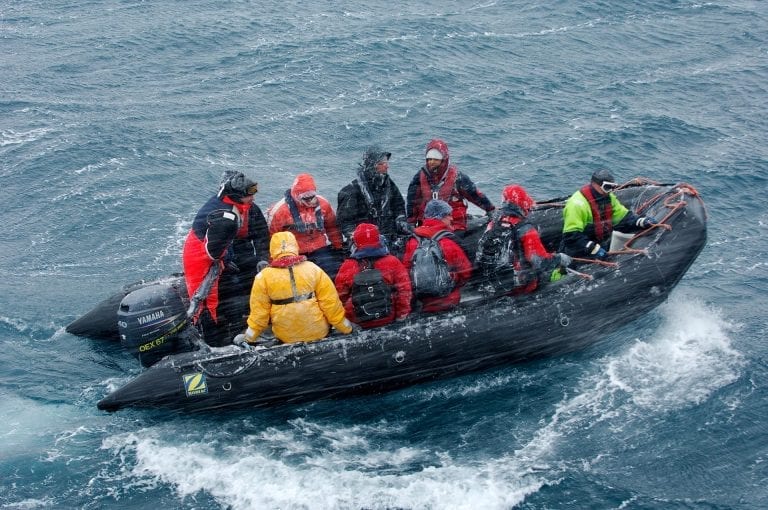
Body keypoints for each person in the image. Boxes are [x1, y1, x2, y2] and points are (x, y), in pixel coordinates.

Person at [182, 171, 269, 347]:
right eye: (249, 195)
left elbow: (261, 235)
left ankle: (241, 321)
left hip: (227, 253)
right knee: (206, 302)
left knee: (249, 283)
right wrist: (226, 260)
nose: (252, 198)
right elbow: (213, 251)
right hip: (206, 259)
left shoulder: (244, 209)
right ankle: (213, 341)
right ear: (237, 196)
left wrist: (262, 258)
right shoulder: (226, 217)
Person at [237, 231, 355, 345]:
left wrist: (249, 337)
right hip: (318, 331)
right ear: (295, 246)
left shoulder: (263, 277)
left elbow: (259, 314)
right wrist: (346, 327)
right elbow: (331, 304)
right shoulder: (313, 269)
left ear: (272, 251)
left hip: (286, 336)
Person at [476, 185, 572, 295]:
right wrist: (560, 258)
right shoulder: (526, 229)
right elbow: (539, 261)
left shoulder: (493, 223)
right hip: (520, 286)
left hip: (495, 281)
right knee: (558, 274)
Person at [560, 170, 658, 260]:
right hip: (578, 249)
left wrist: (639, 221)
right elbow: (571, 236)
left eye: (612, 187)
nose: (610, 191)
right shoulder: (577, 205)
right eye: (607, 187)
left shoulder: (608, 198)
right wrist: (592, 248)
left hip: (599, 243)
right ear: (595, 184)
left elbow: (623, 217)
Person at [405, 139, 495, 233]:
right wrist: (411, 222)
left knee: (455, 241)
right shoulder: (419, 177)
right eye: (429, 159)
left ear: (444, 159)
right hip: (426, 221)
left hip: (454, 222)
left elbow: (474, 195)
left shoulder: (458, 177)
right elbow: (413, 202)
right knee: (415, 235)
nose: (432, 162)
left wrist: (490, 209)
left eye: (436, 159)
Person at [267, 173, 345, 279]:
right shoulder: (280, 211)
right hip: (293, 252)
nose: (310, 201)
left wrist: (338, 247)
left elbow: (332, 227)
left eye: (312, 197)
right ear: (296, 196)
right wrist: (272, 262)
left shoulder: (324, 205)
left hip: (319, 248)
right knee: (297, 279)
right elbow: (271, 238)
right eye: (306, 198)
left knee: (333, 274)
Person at [334, 223, 412, 328]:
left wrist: (349, 322)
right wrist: (401, 315)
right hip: (388, 317)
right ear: (378, 239)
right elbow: (404, 290)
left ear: (355, 242)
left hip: (359, 321)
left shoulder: (348, 266)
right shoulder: (392, 262)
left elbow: (339, 297)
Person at [403, 199, 473, 313]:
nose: (452, 218)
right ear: (440, 217)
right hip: (449, 300)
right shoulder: (448, 241)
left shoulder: (412, 240)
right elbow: (466, 271)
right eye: (448, 215)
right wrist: (452, 284)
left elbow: (406, 270)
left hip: (423, 301)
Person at [336, 145, 407, 256]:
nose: (387, 167)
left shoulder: (389, 184)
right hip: (365, 242)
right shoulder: (352, 191)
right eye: (382, 163)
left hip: (389, 238)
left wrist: (401, 221)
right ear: (373, 166)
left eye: (386, 163)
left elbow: (399, 207)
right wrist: (358, 238)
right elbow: (345, 222)